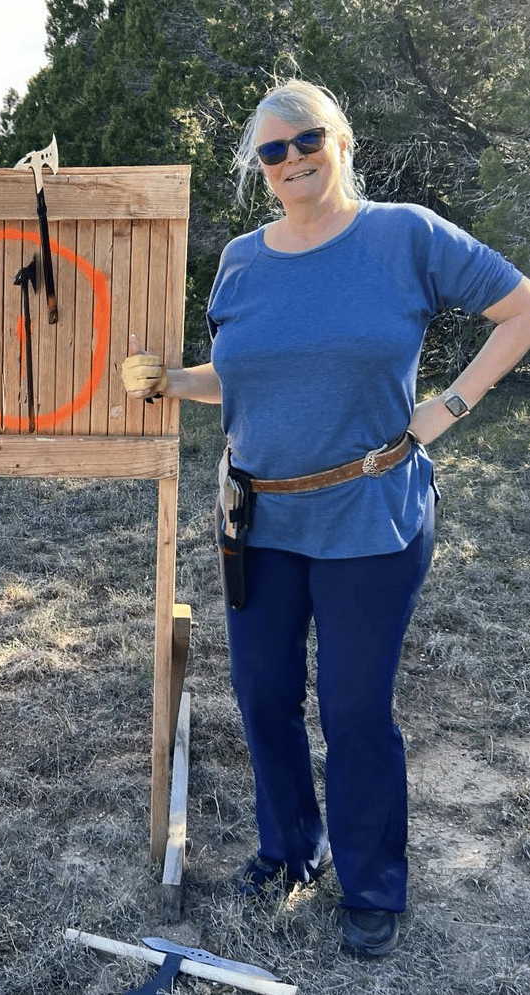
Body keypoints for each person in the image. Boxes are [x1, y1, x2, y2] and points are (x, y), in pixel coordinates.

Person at [121, 78, 530, 957]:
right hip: (257, 518)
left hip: (369, 516)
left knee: (353, 708)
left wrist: (446, 410)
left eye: (303, 141)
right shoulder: (240, 258)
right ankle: (287, 849)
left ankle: (372, 880)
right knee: (264, 698)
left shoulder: (404, 234)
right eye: (270, 152)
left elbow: (519, 307)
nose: (289, 161)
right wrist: (170, 381)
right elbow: (245, 375)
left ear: (339, 141)